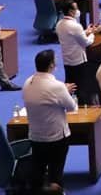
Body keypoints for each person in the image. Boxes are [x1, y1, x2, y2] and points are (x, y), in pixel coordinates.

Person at [24, 49, 78, 188]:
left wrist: (62, 90)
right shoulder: (57, 86)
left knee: (38, 171)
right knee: (56, 173)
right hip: (56, 138)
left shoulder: (27, 82)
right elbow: (72, 107)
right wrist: (65, 91)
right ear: (51, 65)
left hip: (36, 136)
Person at [56, 0, 98, 105]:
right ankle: (83, 106)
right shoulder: (75, 26)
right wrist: (93, 33)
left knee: (70, 84)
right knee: (82, 86)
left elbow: (72, 36)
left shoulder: (59, 24)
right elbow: (86, 43)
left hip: (67, 59)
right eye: (76, 8)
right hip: (79, 60)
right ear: (70, 11)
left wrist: (85, 32)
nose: (78, 10)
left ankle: (69, 103)